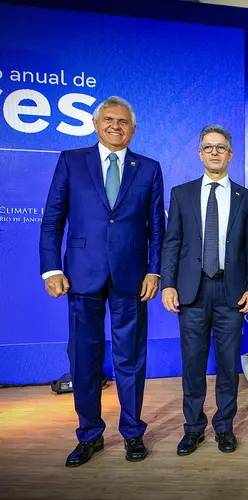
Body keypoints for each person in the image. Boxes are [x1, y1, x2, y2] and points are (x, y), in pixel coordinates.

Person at [39, 96, 165, 466]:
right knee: (83, 358)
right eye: (108, 120)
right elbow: (52, 220)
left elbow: (157, 227)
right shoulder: (71, 161)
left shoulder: (149, 168)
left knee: (131, 360)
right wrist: (51, 269)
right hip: (79, 276)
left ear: (133, 129)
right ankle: (89, 435)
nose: (115, 126)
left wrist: (154, 270)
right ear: (95, 125)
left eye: (123, 121)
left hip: (131, 278)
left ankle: (132, 434)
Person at [160, 125, 248, 456]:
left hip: (231, 293)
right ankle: (192, 429)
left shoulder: (246, 198)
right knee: (192, 363)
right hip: (192, 292)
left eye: (220, 148)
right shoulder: (182, 194)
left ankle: (224, 427)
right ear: (200, 154)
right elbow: (171, 242)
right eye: (208, 147)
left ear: (230, 155)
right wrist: (168, 283)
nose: (214, 152)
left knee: (229, 366)